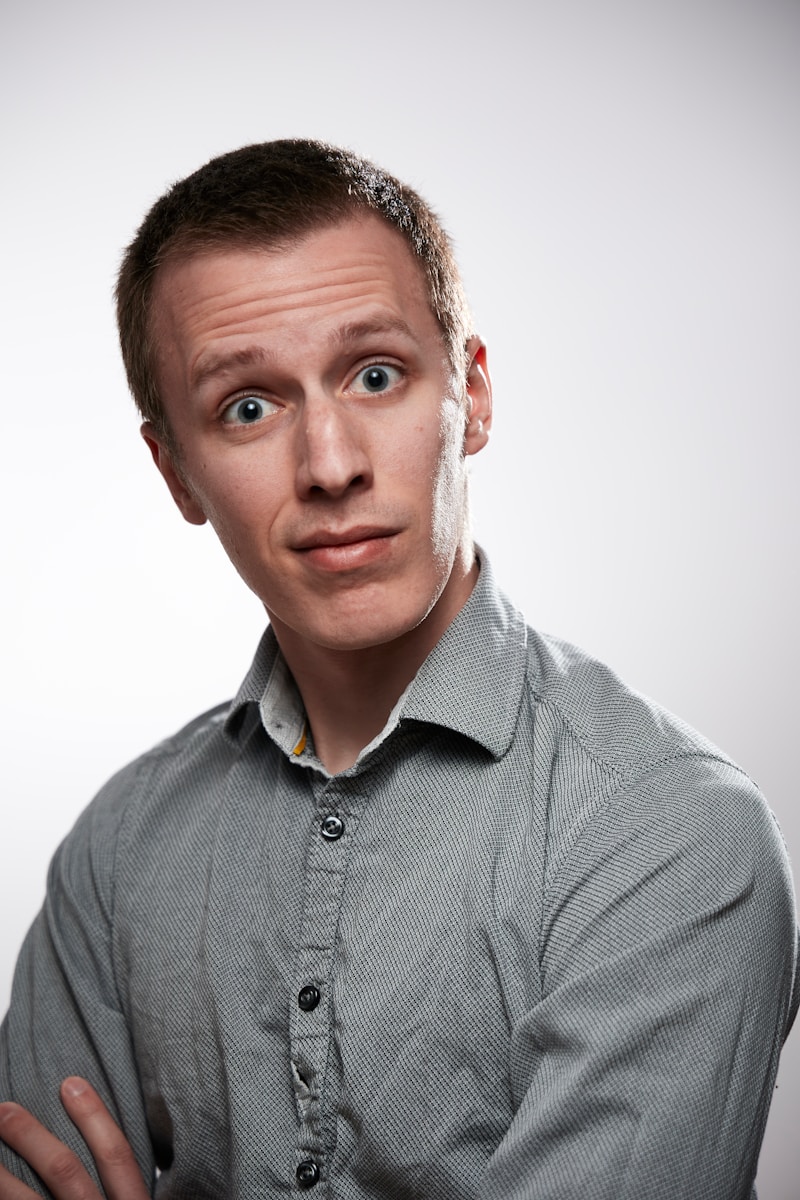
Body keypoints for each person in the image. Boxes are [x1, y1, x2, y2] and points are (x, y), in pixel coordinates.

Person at [0, 140, 797, 1200]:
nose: (330, 464)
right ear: (175, 471)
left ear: (469, 392)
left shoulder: (665, 833)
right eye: (247, 406)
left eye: (375, 376)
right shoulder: (119, 850)